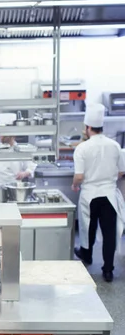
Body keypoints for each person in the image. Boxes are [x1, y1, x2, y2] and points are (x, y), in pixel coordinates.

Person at [73, 103, 125, 282]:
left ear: (88, 128)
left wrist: (74, 185)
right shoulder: (115, 145)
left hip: (90, 195)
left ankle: (86, 255)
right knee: (109, 232)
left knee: (88, 227)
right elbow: (120, 172)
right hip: (109, 195)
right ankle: (108, 270)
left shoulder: (82, 148)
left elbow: (79, 176)